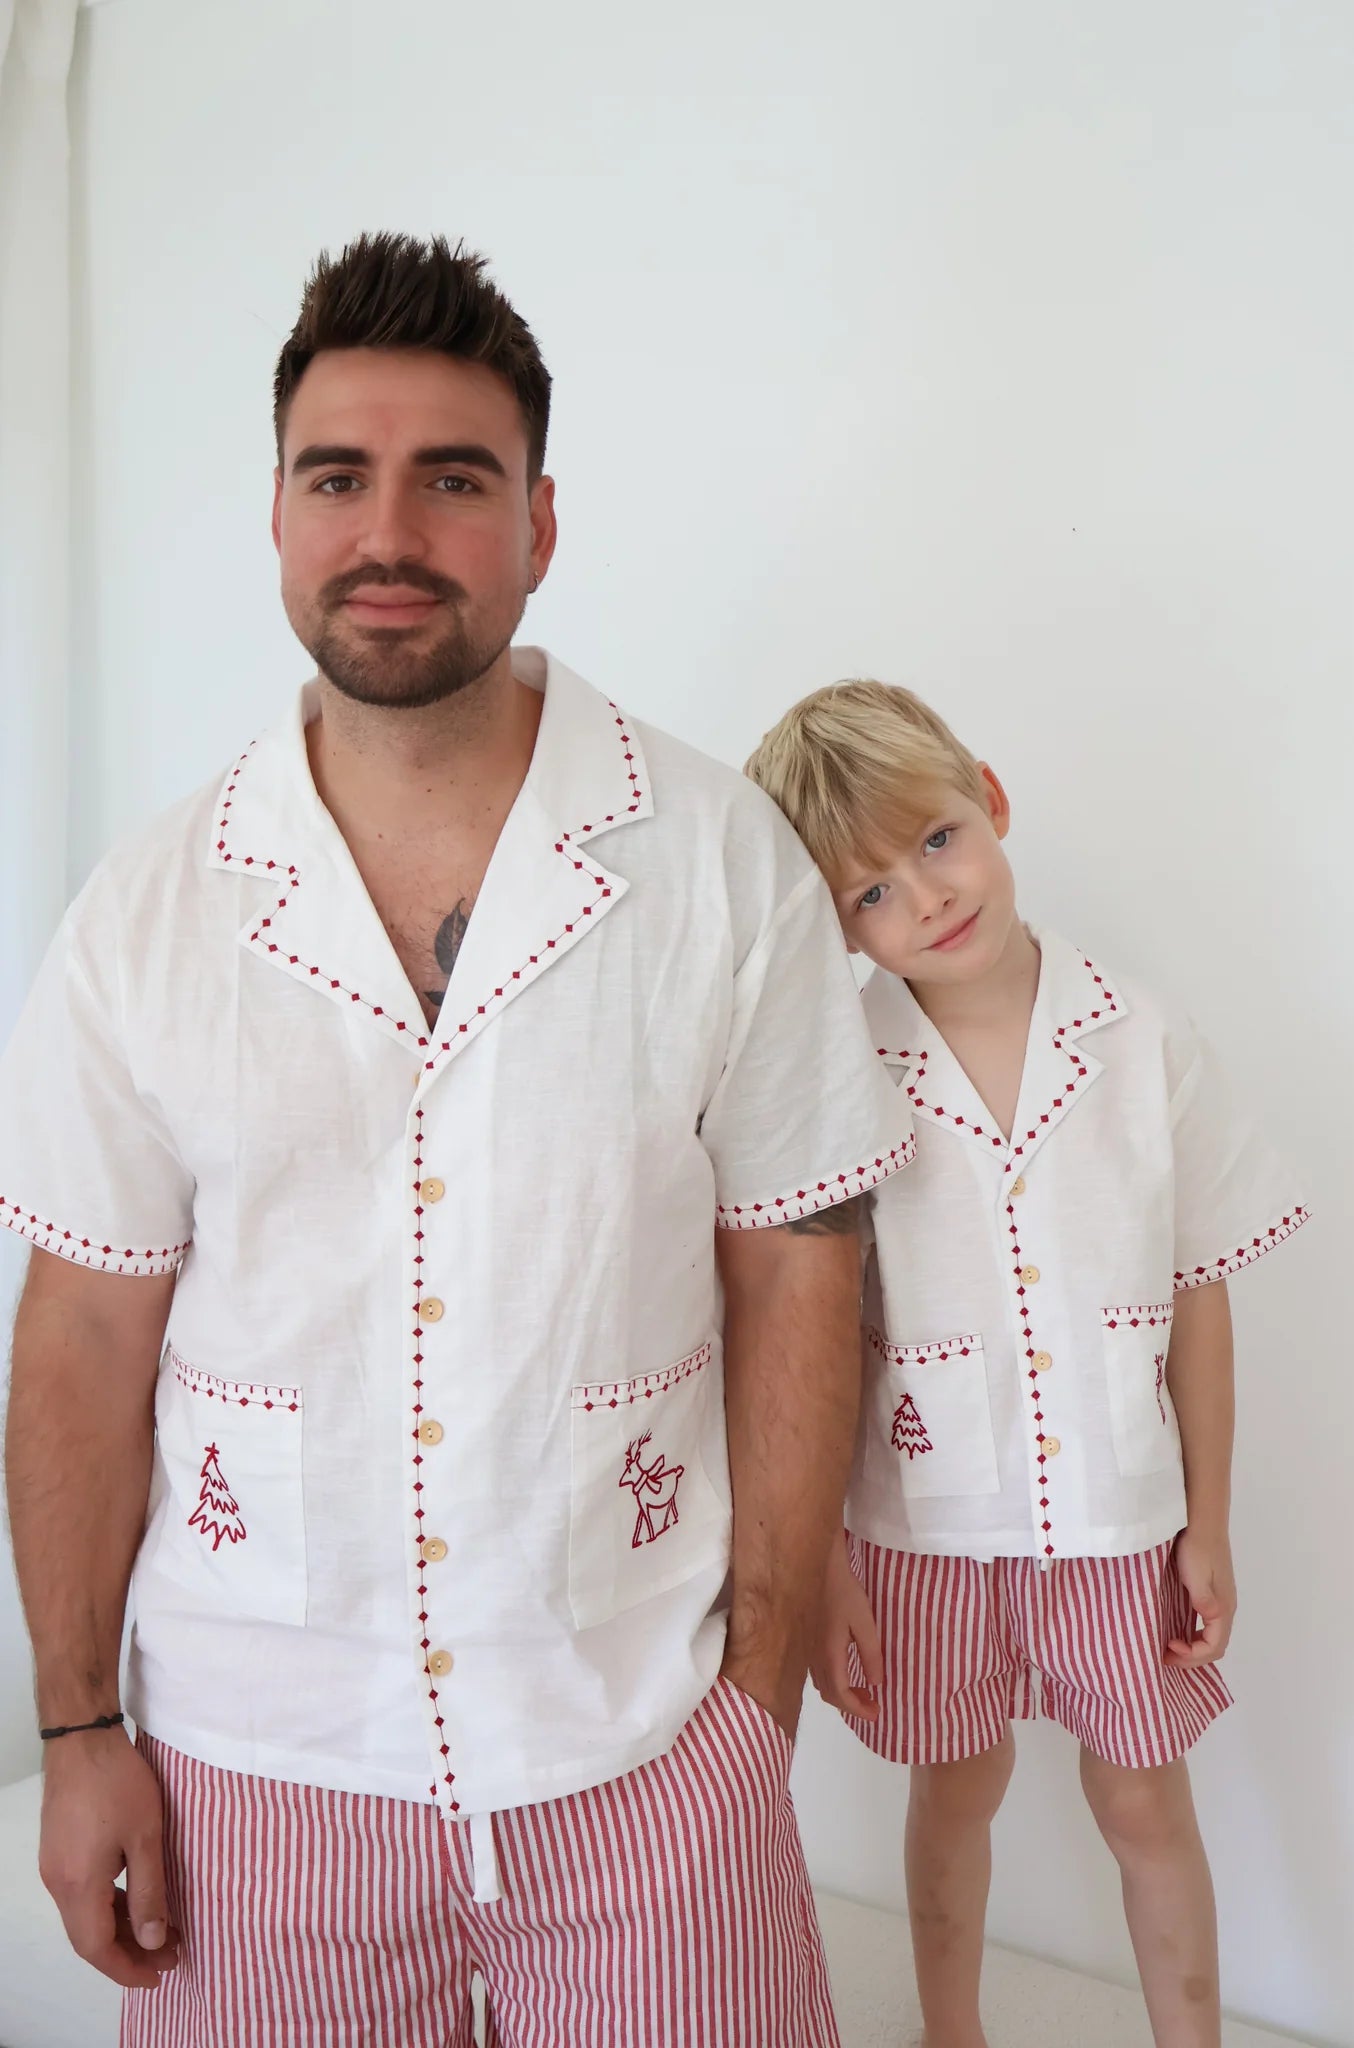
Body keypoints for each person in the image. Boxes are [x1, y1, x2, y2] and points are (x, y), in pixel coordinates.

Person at [0, 235, 913, 2048]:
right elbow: (86, 1332)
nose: (390, 532)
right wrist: (79, 1727)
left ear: (539, 523)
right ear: (277, 515)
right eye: (339, 477)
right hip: (251, 1765)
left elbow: (799, 1273)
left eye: (456, 479)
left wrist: (755, 1698)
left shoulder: (715, 862)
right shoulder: (147, 913)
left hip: (643, 1738)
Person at [746, 679, 1309, 2048]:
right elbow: (812, 1340)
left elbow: (1198, 1296)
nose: (925, 898)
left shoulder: (1143, 1040)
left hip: (1122, 1521)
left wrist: (1208, 1525)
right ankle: (953, 2033)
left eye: (936, 839)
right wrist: (822, 1562)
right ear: (834, 926)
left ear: (988, 800)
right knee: (954, 1790)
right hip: (922, 1535)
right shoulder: (836, 1076)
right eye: (871, 893)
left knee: (1142, 1799)